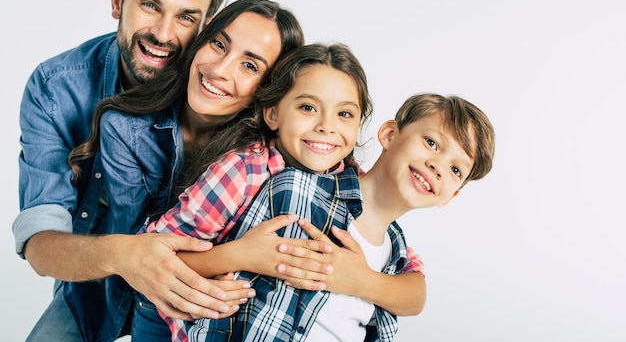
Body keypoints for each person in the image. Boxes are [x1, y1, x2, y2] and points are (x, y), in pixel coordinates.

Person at [13, 0, 229, 342]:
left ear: (204, 27)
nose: (163, 34)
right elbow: (41, 244)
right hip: (93, 291)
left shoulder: (219, 93)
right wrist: (127, 256)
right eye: (150, 5)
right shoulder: (55, 88)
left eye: (186, 17)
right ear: (118, 0)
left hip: (193, 298)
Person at [139, 43, 428, 342]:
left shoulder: (351, 182)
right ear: (273, 114)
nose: (327, 126)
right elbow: (153, 258)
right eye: (308, 108)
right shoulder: (244, 172)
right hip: (174, 321)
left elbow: (414, 290)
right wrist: (238, 255)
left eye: (344, 113)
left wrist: (364, 281)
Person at [68, 0, 312, 340]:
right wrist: (234, 257)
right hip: (121, 286)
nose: (220, 69)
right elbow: (140, 252)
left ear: (271, 89)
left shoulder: (265, 152)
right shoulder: (124, 129)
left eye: (250, 66)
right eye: (219, 44)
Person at [191, 92, 496, 342]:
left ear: (451, 196)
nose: (438, 165)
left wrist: (363, 281)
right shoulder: (294, 190)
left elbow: (416, 299)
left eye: (455, 169)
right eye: (431, 143)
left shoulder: (397, 258)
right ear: (390, 134)